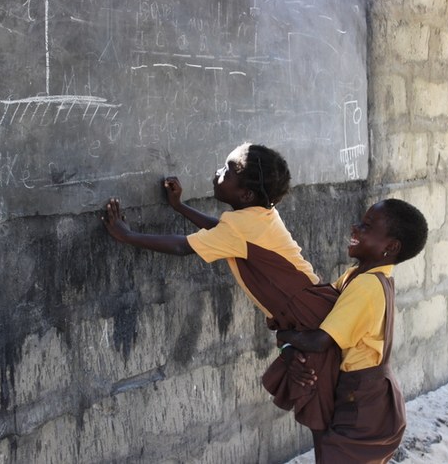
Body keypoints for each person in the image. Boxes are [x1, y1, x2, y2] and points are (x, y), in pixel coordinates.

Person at [102, 142, 340, 430]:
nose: (217, 173)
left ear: (246, 194)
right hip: (312, 307)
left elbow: (182, 247)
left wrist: (127, 236)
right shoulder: (260, 214)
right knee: (320, 401)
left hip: (308, 315)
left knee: (321, 403)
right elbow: (222, 232)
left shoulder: (239, 228)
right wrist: (180, 207)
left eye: (226, 172)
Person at [276, 198, 428, 463]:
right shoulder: (355, 276)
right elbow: (317, 312)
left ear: (391, 247)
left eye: (367, 226)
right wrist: (288, 345)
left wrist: (284, 337)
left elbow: (319, 340)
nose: (355, 228)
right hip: (361, 394)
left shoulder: (367, 286)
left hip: (365, 400)